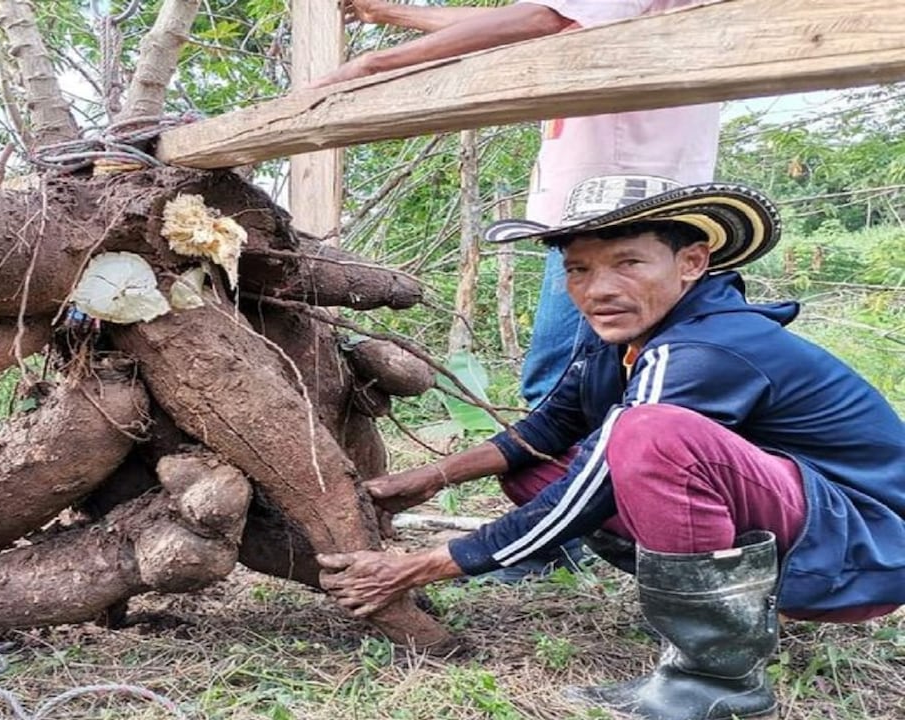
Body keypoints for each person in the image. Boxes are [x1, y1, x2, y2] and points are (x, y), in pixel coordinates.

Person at [316, 176, 905, 720]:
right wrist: (425, 479)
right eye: (578, 270)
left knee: (649, 434)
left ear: (692, 262)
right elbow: (549, 429)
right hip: (806, 522)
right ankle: (714, 610)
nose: (598, 290)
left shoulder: (705, 347)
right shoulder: (625, 337)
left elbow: (598, 480)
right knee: (536, 470)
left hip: (863, 545)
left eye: (628, 263)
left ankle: (714, 681)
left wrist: (421, 566)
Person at [314, 0, 721, 408]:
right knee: (604, 380)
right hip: (604, 217)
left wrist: (375, 64)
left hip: (615, 217)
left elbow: (541, 18)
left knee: (561, 387)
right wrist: (388, 14)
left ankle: (588, 451)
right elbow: (532, 15)